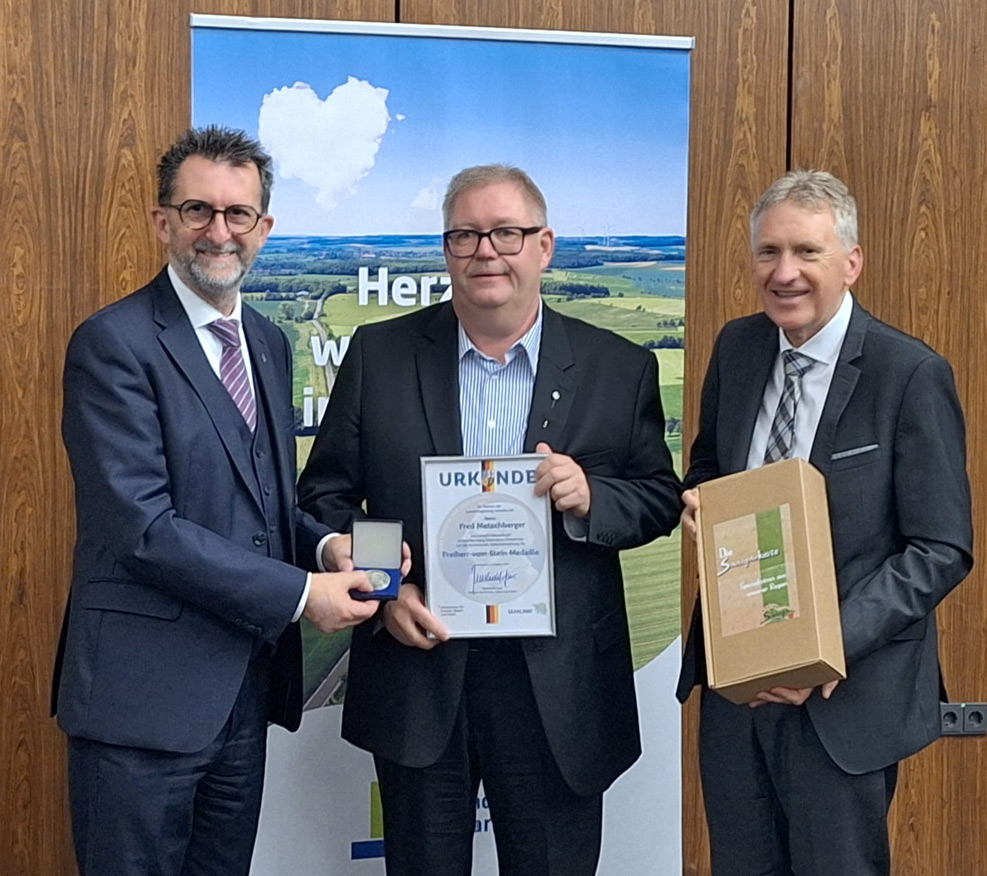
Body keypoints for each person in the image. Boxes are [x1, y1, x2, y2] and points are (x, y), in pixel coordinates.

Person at [297, 164, 682, 875]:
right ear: (446, 251)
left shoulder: (616, 366)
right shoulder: (379, 357)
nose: (486, 251)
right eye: (466, 234)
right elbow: (328, 498)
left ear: (544, 246)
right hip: (421, 669)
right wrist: (384, 590)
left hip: (558, 688)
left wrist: (593, 496)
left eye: (506, 232)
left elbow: (659, 497)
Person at [52, 126, 382, 876]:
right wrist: (304, 594)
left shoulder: (265, 341)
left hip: (240, 695)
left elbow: (260, 502)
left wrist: (326, 545)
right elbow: (141, 528)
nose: (218, 231)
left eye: (238, 214)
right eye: (198, 210)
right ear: (162, 221)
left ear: (264, 228)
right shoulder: (113, 344)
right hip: (141, 704)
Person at [676, 170, 973, 876]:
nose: (783, 274)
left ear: (850, 261)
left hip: (843, 701)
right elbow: (708, 467)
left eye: (806, 252)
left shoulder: (908, 374)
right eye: (767, 253)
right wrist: (700, 506)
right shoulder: (738, 348)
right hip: (737, 692)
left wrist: (824, 648)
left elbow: (940, 548)